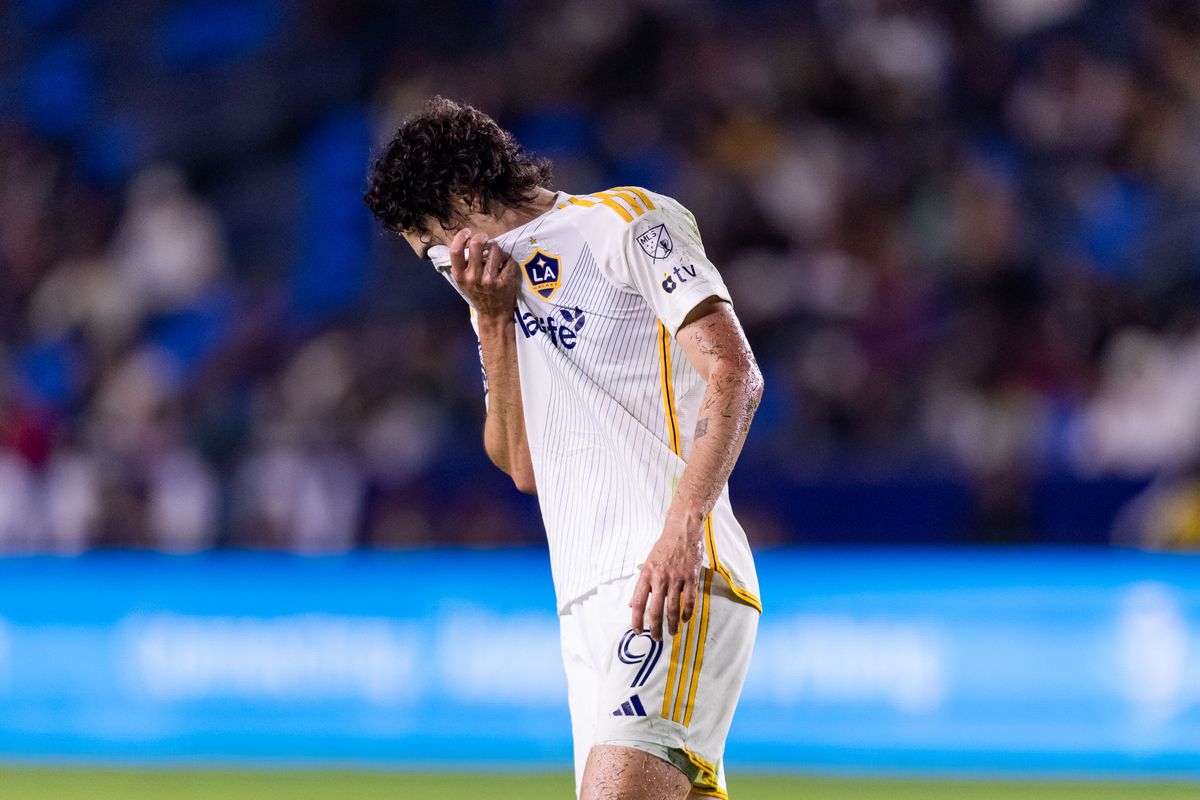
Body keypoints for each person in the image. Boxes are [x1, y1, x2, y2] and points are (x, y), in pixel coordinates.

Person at [364, 97, 763, 800]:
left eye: (431, 247)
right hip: (585, 601)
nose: (440, 266)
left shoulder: (628, 222)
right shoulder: (491, 290)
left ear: (463, 199)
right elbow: (522, 465)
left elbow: (735, 372)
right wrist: (491, 321)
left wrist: (681, 530)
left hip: (668, 576)